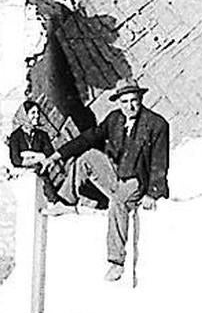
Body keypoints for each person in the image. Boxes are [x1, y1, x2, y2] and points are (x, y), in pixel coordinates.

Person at [39, 78, 169, 281]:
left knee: (118, 202)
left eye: (134, 100)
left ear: (141, 98)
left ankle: (116, 262)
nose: (129, 106)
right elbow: (88, 138)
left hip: (137, 181)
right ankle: (66, 202)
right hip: (117, 176)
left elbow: (160, 162)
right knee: (88, 156)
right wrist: (57, 156)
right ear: (118, 102)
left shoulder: (156, 124)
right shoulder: (115, 119)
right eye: (124, 102)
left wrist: (153, 193)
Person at [7, 100, 65, 207]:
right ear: (24, 115)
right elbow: (16, 160)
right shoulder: (15, 136)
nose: (37, 116)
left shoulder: (42, 135)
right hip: (22, 176)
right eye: (33, 113)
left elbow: (49, 155)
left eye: (38, 113)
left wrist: (27, 155)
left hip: (42, 174)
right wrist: (39, 156)